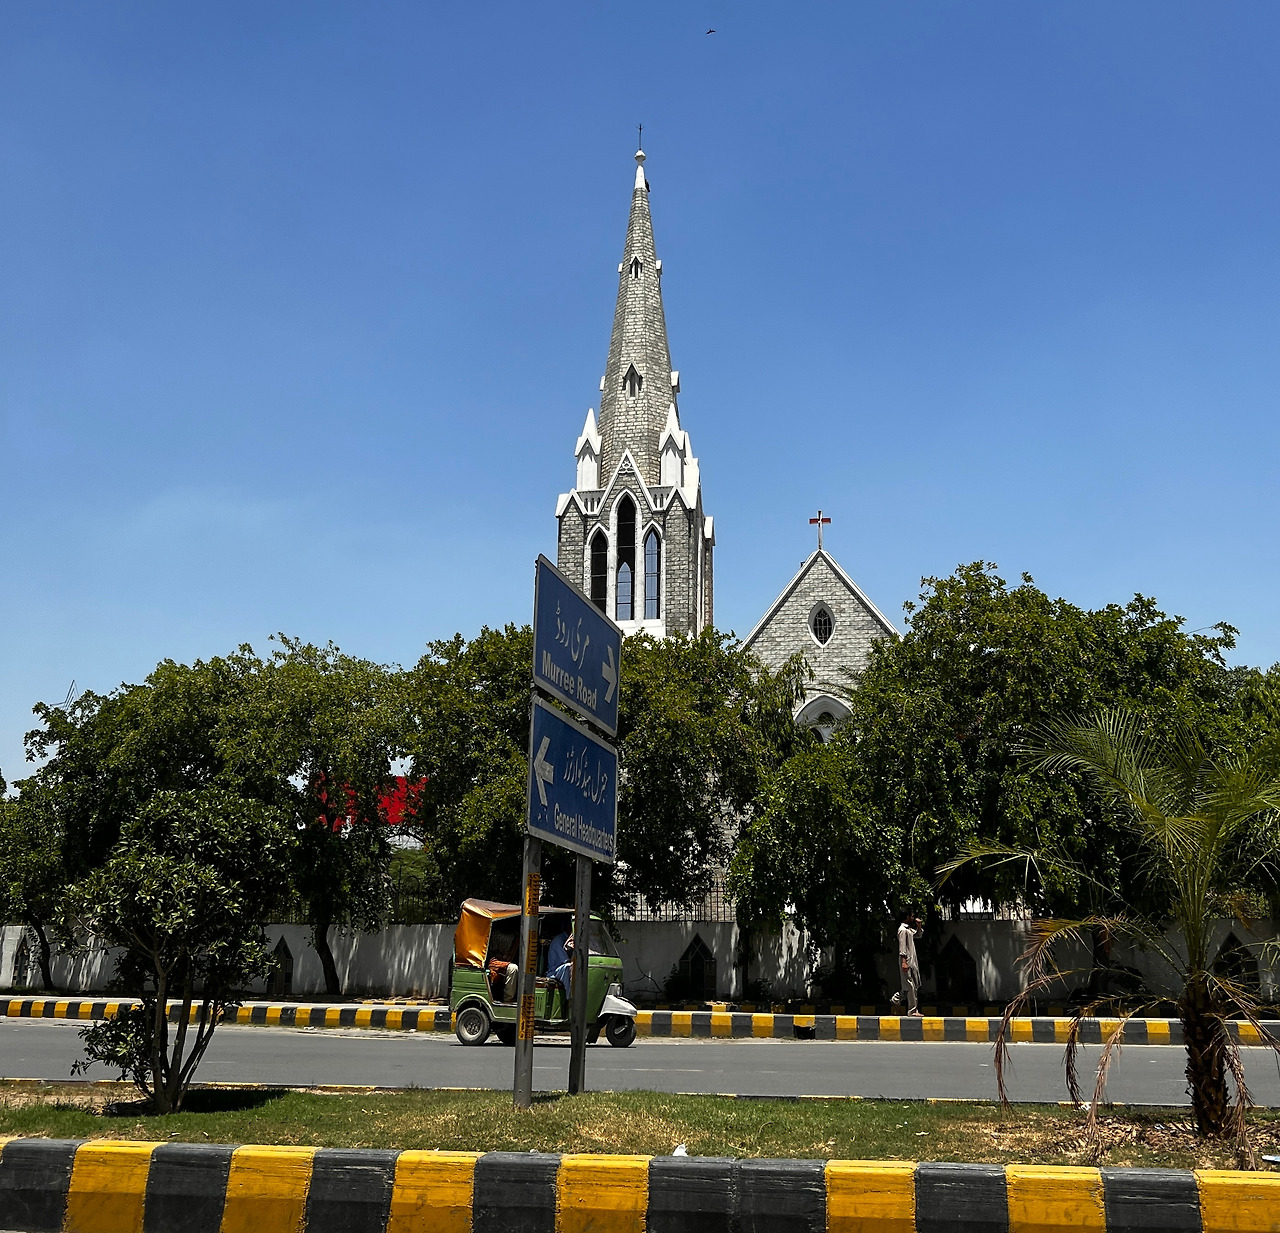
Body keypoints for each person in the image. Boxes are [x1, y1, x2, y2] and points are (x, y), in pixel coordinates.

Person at [893, 910, 923, 1016]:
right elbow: (902, 947)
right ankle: (912, 1011)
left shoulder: (908, 929)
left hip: (912, 960)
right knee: (910, 986)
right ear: (907, 917)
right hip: (906, 960)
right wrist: (904, 962)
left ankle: (896, 999)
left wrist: (919, 926)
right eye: (911, 916)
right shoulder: (902, 930)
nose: (913, 918)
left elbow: (918, 935)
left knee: (913, 985)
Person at [548, 928, 574, 995]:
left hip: (561, 968)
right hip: (555, 971)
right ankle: (568, 996)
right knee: (568, 967)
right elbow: (566, 960)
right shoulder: (559, 940)